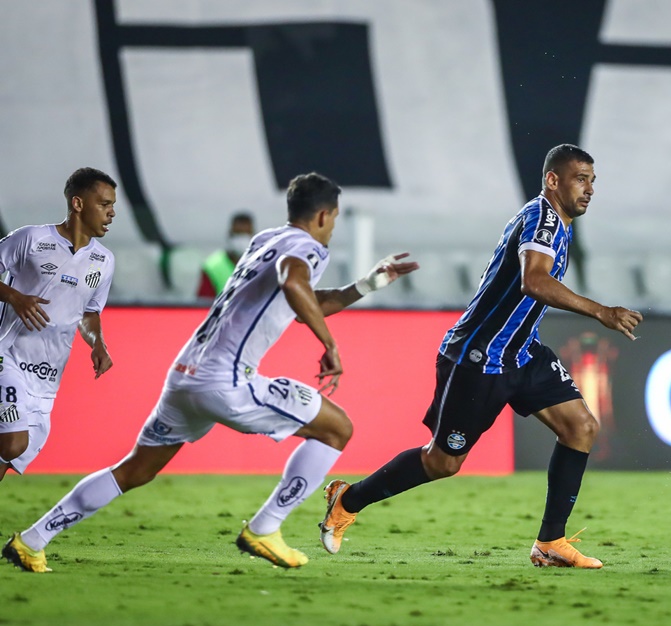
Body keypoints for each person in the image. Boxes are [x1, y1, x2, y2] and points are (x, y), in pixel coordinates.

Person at [3, 172, 418, 572]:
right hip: (227, 381)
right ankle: (265, 528)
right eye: (335, 220)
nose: (332, 229)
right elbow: (294, 283)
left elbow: (302, 297)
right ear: (325, 216)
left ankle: (32, 540)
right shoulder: (307, 247)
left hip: (186, 374)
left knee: (134, 470)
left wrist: (365, 285)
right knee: (337, 428)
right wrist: (329, 344)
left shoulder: (265, 240)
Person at [318, 144, 642, 569]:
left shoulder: (558, 223)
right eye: (581, 179)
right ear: (553, 180)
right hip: (480, 356)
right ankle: (349, 498)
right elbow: (534, 281)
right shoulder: (543, 218)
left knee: (580, 427)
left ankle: (550, 542)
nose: (590, 189)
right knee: (442, 461)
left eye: (593, 181)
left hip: (522, 352)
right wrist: (600, 310)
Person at [0, 168, 117, 483]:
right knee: (13, 443)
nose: (112, 212)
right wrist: (14, 296)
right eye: (104, 204)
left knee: (7, 457)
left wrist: (97, 343)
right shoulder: (31, 239)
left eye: (112, 205)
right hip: (6, 356)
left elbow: (89, 313)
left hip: (47, 377)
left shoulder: (104, 261)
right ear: (78, 204)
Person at [197, 212, 255, 298]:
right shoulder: (213, 266)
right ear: (230, 235)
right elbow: (203, 303)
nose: (242, 239)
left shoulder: (262, 262)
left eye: (246, 234)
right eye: (238, 234)